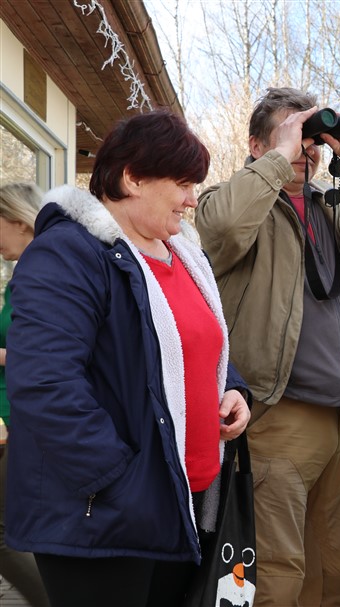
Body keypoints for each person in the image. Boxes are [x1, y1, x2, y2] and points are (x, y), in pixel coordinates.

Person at [5, 111, 251, 607]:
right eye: (182, 183)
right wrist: (122, 482)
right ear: (131, 178)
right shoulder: (68, 254)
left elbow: (198, 346)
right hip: (108, 517)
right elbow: (45, 384)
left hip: (183, 504)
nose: (191, 198)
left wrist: (234, 389)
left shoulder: (182, 254)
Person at [195, 87, 340, 606]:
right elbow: (224, 230)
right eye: (294, 137)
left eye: (314, 140)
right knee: (277, 573)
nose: (308, 150)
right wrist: (279, 158)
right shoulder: (228, 202)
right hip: (278, 415)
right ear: (257, 144)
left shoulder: (338, 210)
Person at [0, 182, 50, 607]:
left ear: (18, 220)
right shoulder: (27, 270)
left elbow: (38, 350)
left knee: (4, 533)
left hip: (25, 423)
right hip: (17, 419)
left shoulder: (41, 271)